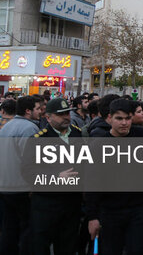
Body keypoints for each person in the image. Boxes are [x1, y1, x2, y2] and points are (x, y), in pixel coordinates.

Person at [86, 98, 143, 255]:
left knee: (137, 249)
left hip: (139, 208)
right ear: (110, 118)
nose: (124, 123)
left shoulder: (142, 137)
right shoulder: (98, 145)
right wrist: (92, 217)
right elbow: (91, 182)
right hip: (109, 211)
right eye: (119, 118)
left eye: (127, 118)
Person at [28, 97, 84, 255]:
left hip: (71, 204)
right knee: (40, 246)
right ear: (48, 117)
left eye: (67, 113)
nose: (66, 117)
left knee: (68, 246)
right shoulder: (39, 140)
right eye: (61, 114)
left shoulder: (77, 135)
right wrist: (55, 177)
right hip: (46, 204)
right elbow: (28, 172)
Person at [0, 96, 41, 255]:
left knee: (9, 227)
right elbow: (31, 160)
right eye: (37, 108)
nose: (40, 111)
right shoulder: (30, 129)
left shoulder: (8, 126)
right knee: (27, 228)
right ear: (28, 111)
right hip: (21, 187)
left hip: (5, 185)